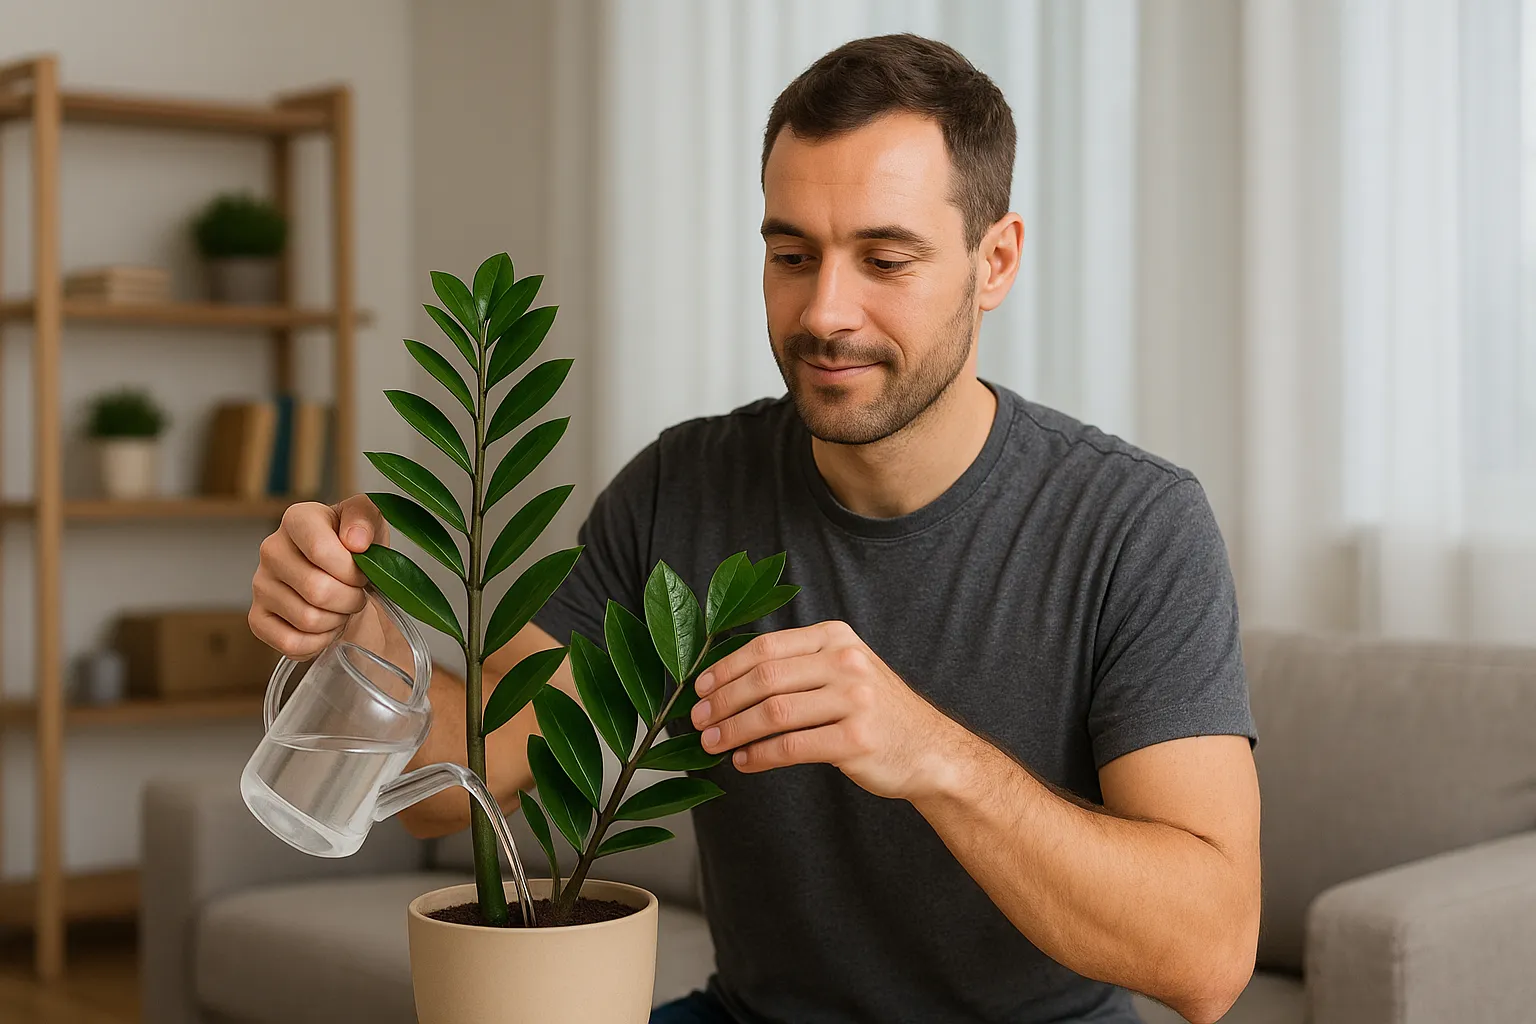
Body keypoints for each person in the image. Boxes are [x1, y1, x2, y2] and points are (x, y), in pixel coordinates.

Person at [250, 33, 1260, 1024]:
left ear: (994, 261)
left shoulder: (1135, 525)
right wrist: (362, 634)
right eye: (792, 253)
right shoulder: (681, 488)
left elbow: (1208, 960)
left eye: (884, 258)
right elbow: (456, 789)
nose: (825, 311)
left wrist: (934, 755)